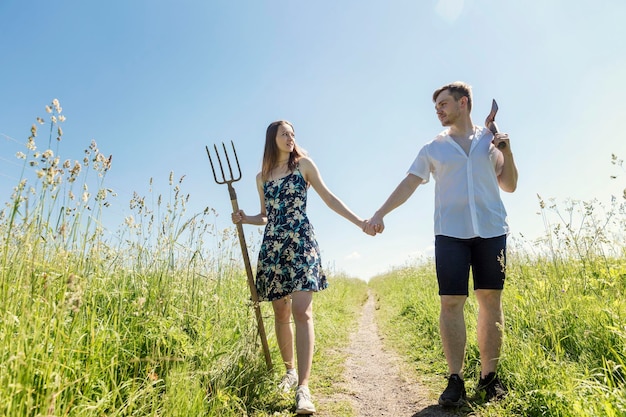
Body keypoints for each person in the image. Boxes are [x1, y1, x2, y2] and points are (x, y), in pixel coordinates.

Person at [366, 81, 518, 406]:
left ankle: (490, 378)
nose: (438, 110)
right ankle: (455, 380)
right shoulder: (432, 148)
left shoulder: (490, 143)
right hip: (450, 234)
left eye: (443, 104)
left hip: (491, 230)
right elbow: (409, 183)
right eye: (436, 106)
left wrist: (506, 149)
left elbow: (510, 184)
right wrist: (380, 212)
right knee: (451, 302)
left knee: (490, 300)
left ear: (463, 103)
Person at [232, 120, 373, 414]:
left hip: (301, 243)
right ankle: (289, 372)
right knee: (280, 312)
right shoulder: (262, 177)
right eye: (285, 134)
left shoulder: (304, 166)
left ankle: (303, 388)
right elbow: (265, 216)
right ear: (273, 139)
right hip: (273, 246)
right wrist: (245, 218)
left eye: (293, 134)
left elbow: (329, 198)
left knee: (301, 311)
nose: (290, 137)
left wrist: (360, 221)